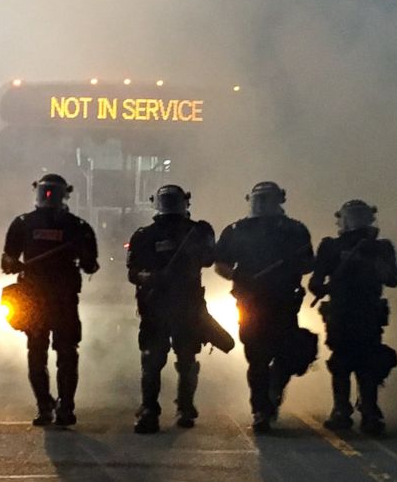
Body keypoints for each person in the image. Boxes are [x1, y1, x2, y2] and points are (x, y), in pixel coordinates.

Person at [215, 181, 315, 433]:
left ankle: (275, 388)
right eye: (257, 198)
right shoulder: (236, 230)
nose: (261, 203)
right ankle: (260, 409)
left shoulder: (294, 230)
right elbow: (221, 264)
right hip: (251, 302)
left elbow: (307, 263)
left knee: (287, 354)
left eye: (267, 198)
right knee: (257, 358)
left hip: (283, 301)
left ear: (279, 200)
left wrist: (290, 265)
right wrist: (238, 276)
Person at [1, 174, 99, 427]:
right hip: (55, 299)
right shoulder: (78, 226)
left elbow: (7, 262)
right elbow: (90, 266)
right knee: (64, 353)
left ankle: (48, 407)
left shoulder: (23, 223)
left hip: (43, 299)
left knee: (38, 352)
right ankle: (61, 407)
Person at [127, 185, 215, 434]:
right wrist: (151, 277)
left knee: (165, 360)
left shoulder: (195, 231)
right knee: (173, 359)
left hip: (181, 305)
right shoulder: (147, 234)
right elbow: (135, 272)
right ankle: (166, 408)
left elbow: (208, 258)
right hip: (161, 306)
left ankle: (169, 408)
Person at [309, 200, 397, 435]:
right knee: (341, 362)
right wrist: (324, 286)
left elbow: (391, 279)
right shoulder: (330, 246)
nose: (356, 221)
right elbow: (316, 282)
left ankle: (369, 410)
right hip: (341, 311)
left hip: (369, 311)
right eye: (352, 216)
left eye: (361, 216)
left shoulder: (381, 247)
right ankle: (341, 409)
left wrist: (368, 262)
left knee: (369, 362)